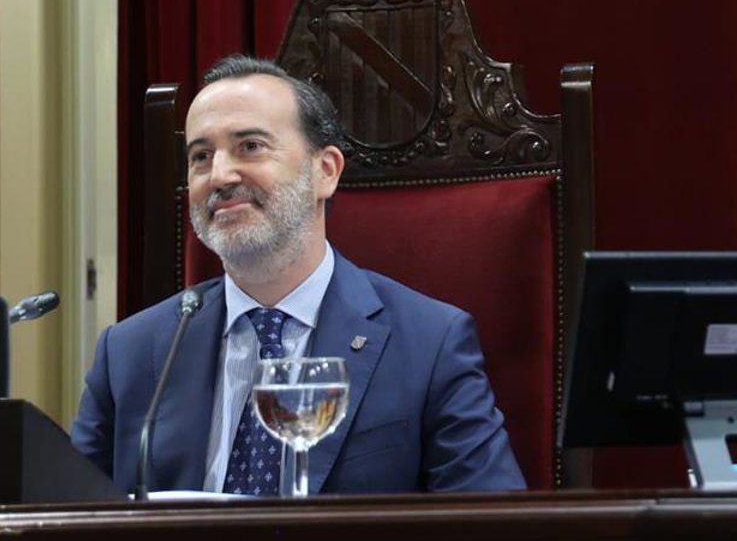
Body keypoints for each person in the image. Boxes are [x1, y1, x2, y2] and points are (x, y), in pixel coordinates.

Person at [71, 56, 526, 494]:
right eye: (201, 156)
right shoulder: (129, 353)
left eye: (250, 146)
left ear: (325, 171)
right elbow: (70, 520)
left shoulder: (429, 344)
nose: (221, 175)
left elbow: (492, 526)